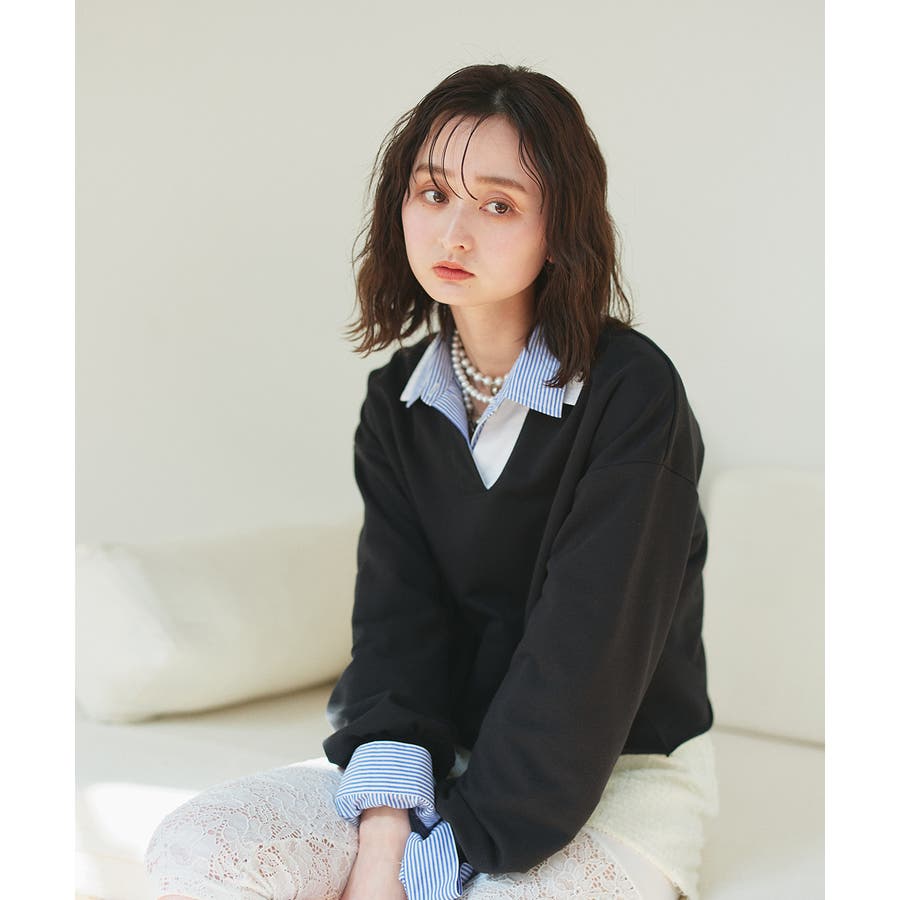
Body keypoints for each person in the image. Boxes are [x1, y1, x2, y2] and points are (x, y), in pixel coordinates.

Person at [145, 63, 719, 900]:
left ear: (560, 227)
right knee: (200, 850)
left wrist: (442, 858)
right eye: (432, 192)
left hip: (612, 770)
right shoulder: (397, 401)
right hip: (442, 752)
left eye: (498, 205)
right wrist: (387, 827)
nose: (453, 233)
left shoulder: (633, 396)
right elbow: (397, 624)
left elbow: (586, 662)